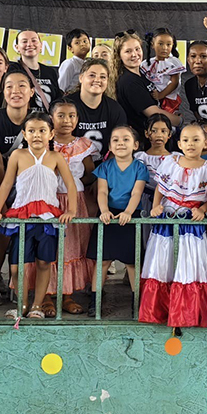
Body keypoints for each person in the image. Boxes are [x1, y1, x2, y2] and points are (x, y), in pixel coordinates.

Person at [0, 112, 77, 319]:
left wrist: (71, 210)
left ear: (51, 134)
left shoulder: (56, 157)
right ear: (24, 134)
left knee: (44, 263)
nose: (37, 135)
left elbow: (70, 185)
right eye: (32, 131)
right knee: (18, 266)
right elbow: (7, 183)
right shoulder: (18, 156)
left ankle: (37, 305)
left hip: (47, 218)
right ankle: (22, 305)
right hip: (22, 217)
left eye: (42, 131)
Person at [139, 122, 207, 327]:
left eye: (196, 140)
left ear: (205, 143)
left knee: (189, 264)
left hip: (191, 222)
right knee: (162, 262)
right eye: (186, 140)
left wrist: (203, 209)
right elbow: (160, 188)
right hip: (167, 220)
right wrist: (156, 206)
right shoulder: (171, 161)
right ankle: (160, 311)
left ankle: (186, 313)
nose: (190, 144)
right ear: (180, 143)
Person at [0, 69, 35, 305]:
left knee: (29, 235)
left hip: (30, 182)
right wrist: (2, 204)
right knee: (1, 233)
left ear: (31, 92)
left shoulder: (39, 120)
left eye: (22, 86)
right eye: (10, 86)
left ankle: (19, 285)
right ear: (3, 91)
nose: (16, 91)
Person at [85, 126, 150, 317]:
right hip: (108, 214)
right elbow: (103, 191)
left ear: (135, 145)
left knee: (132, 262)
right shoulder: (105, 167)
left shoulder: (140, 167)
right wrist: (104, 211)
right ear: (110, 146)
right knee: (102, 260)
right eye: (115, 140)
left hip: (131, 214)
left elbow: (136, 192)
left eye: (126, 139)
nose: (120, 143)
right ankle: (95, 301)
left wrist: (128, 212)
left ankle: (136, 301)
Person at [49, 99, 97, 314]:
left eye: (71, 116)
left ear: (77, 119)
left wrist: (74, 192)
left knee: (71, 248)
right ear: (51, 118)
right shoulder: (44, 141)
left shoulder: (83, 145)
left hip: (74, 201)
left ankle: (67, 296)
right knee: (49, 248)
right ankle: (46, 297)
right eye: (60, 115)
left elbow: (89, 174)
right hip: (48, 200)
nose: (66, 120)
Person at [114, 32, 180, 138]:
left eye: (137, 49)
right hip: (143, 140)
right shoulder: (129, 81)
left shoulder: (141, 72)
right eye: (128, 51)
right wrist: (179, 121)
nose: (134, 54)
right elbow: (153, 113)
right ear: (119, 55)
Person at [65, 58, 128, 164]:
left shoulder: (115, 109)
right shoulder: (66, 106)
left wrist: (104, 173)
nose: (97, 80)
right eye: (92, 75)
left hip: (103, 168)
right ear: (81, 78)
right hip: (70, 166)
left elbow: (120, 145)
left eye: (103, 77)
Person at [10, 29, 63, 112]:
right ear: (17, 48)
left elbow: (57, 100)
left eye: (34, 40)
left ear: (41, 45)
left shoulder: (50, 72)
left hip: (46, 122)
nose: (30, 44)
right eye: (24, 41)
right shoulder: (13, 70)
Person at [134, 114, 176, 212]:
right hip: (144, 200)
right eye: (154, 131)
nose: (159, 135)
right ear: (146, 133)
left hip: (169, 201)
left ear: (169, 134)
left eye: (163, 131)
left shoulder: (176, 158)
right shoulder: (140, 157)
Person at [142, 27, 186, 115]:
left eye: (168, 44)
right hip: (152, 98)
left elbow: (174, 83)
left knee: (167, 121)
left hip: (168, 99)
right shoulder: (146, 64)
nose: (164, 48)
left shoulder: (173, 62)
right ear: (152, 44)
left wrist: (160, 95)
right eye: (160, 44)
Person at [58, 28, 92, 92]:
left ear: (90, 44)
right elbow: (61, 87)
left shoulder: (90, 63)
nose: (82, 44)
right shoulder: (70, 64)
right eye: (77, 43)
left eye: (85, 41)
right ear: (70, 48)